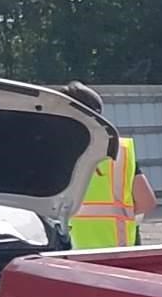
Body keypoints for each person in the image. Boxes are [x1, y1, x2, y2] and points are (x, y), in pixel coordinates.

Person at [63, 82, 155, 249]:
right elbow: (146, 201)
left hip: (71, 253)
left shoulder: (52, 152)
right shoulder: (120, 151)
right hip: (118, 251)